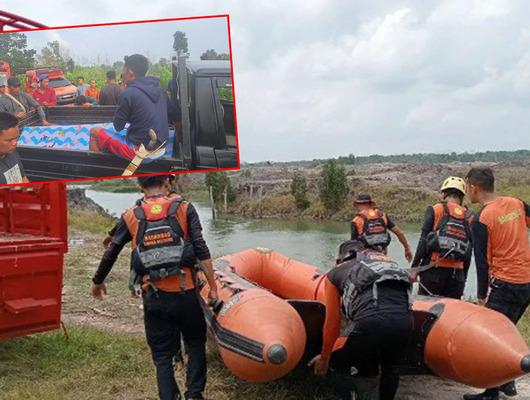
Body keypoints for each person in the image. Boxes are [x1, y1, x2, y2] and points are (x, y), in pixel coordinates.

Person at [91, 175, 218, 400]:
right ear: (168, 184)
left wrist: (98, 281)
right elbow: (200, 248)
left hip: (154, 296)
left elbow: (112, 250)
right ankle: (194, 394)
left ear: (140, 188)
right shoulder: (185, 208)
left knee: (161, 354)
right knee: (195, 342)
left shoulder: (131, 214)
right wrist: (214, 288)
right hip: (186, 292)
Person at [309, 239, 413, 400]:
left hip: (370, 323)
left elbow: (332, 323)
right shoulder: (387, 262)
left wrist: (325, 358)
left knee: (337, 362)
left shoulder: (334, 273)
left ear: (339, 260)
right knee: (391, 368)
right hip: (405, 322)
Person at [463, 167, 530, 400]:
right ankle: (507, 385)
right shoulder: (516, 203)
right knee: (507, 330)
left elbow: (481, 262)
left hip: (505, 283)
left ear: (474, 187)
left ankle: (491, 393)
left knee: (491, 338)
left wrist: (481, 296)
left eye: (467, 187)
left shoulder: (482, 218)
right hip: (526, 282)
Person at [89, 54, 169, 160]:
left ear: (130, 71)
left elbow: (118, 126)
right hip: (160, 149)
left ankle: (96, 171)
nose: (122, 73)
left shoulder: (128, 93)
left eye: (124, 70)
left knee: (94, 132)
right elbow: (174, 116)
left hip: (141, 152)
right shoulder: (161, 91)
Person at [411, 177, 473, 299]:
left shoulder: (435, 209)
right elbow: (469, 251)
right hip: (457, 276)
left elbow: (423, 241)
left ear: (444, 193)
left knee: (426, 311)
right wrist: (463, 279)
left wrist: (414, 269)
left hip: (433, 271)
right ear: (462, 196)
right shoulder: (469, 216)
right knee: (451, 314)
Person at [351, 194, 413, 262]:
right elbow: (399, 233)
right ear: (370, 204)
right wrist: (407, 248)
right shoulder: (382, 216)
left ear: (358, 205)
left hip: (364, 256)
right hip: (382, 253)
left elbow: (353, 244)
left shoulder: (356, 220)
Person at [0, 111, 29, 184]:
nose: (15, 143)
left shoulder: (12, 152)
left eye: (16, 138)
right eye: (9, 140)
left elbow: (23, 177)